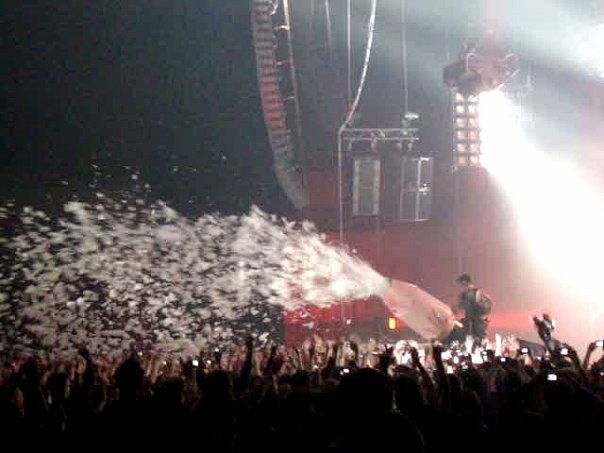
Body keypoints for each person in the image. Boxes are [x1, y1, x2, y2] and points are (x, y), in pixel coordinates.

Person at [454, 274, 492, 343]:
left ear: (466, 282)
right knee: (468, 338)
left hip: (478, 321)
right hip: (469, 321)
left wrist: (483, 313)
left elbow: (489, 303)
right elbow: (458, 306)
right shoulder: (463, 295)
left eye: (462, 284)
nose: (462, 286)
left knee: (480, 338)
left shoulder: (478, 293)